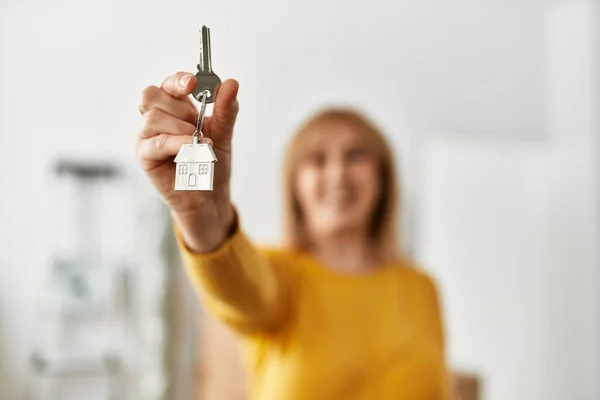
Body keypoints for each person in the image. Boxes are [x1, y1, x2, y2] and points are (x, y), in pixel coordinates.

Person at [136, 71, 452, 400]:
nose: (337, 173)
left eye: (355, 155)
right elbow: (235, 286)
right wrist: (203, 219)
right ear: (294, 185)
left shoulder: (421, 288)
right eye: (317, 159)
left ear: (384, 177)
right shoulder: (279, 275)